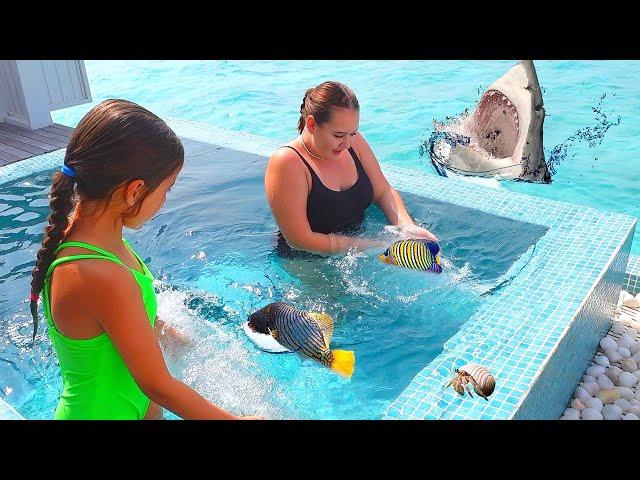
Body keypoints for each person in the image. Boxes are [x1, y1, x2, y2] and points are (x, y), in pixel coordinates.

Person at [29, 99, 261, 420]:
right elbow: (158, 385)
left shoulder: (98, 243)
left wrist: (183, 340)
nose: (164, 201)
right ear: (135, 190)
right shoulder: (98, 273)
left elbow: (127, 328)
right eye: (166, 190)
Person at [264, 81, 438, 255]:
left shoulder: (354, 143)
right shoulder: (288, 162)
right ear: (311, 124)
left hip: (360, 247)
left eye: (352, 133)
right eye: (338, 135)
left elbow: (383, 190)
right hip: (306, 261)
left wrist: (406, 227)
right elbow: (299, 240)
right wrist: (375, 246)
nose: (347, 143)